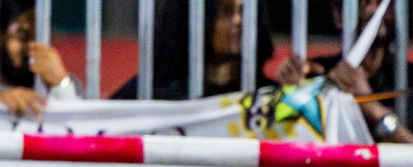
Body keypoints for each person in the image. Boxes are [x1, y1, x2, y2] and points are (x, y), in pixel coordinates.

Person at [277, 0, 413, 145]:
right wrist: (291, 95)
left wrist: (370, 106)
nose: (374, 11)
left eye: (383, 3)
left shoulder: (407, 81)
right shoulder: (314, 74)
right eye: (365, 2)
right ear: (339, 15)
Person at [113, 0, 274, 100]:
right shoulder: (147, 93)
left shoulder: (267, 94)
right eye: (226, 11)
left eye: (244, 11)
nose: (239, 20)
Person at [0, 0, 79, 118]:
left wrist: (61, 83)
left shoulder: (69, 84)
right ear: (0, 37)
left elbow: (83, 129)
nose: (30, 45)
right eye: (20, 33)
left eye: (36, 34)